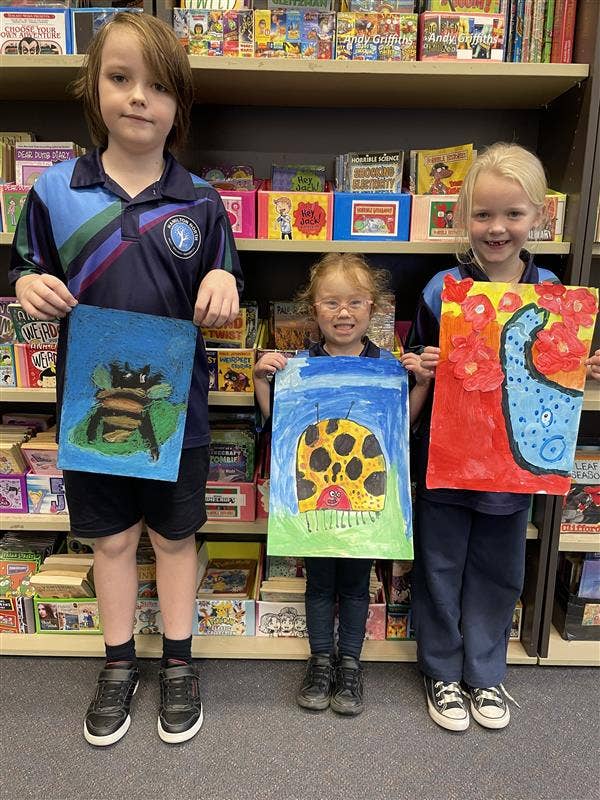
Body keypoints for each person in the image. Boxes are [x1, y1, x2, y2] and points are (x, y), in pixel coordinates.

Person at [8, 13, 242, 746]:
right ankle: (118, 664)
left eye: (158, 86)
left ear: (179, 105)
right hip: (91, 409)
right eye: (120, 78)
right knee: (110, 543)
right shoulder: (53, 191)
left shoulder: (202, 202)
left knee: (174, 541)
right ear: (93, 87)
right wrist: (26, 287)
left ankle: (178, 662)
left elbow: (227, 283)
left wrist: (223, 286)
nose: (139, 98)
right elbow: (23, 266)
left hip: (177, 412)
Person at [406, 142, 600, 733]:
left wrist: (581, 366)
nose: (497, 228)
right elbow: (414, 356)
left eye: (513, 214)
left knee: (499, 567)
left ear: (539, 216)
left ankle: (485, 673)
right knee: (439, 564)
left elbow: (556, 364)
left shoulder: (553, 293)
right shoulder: (443, 288)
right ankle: (441, 670)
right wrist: (424, 362)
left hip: (514, 463)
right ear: (465, 217)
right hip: (448, 456)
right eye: (484, 214)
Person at [254, 252, 420, 716]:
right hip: (316, 508)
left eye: (354, 303)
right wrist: (261, 378)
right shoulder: (300, 365)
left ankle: (350, 663)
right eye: (330, 303)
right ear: (314, 309)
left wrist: (419, 385)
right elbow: (278, 422)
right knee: (319, 584)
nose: (343, 313)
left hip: (364, 505)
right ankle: (320, 661)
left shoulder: (387, 366)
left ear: (373, 308)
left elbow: (398, 432)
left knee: (355, 584)